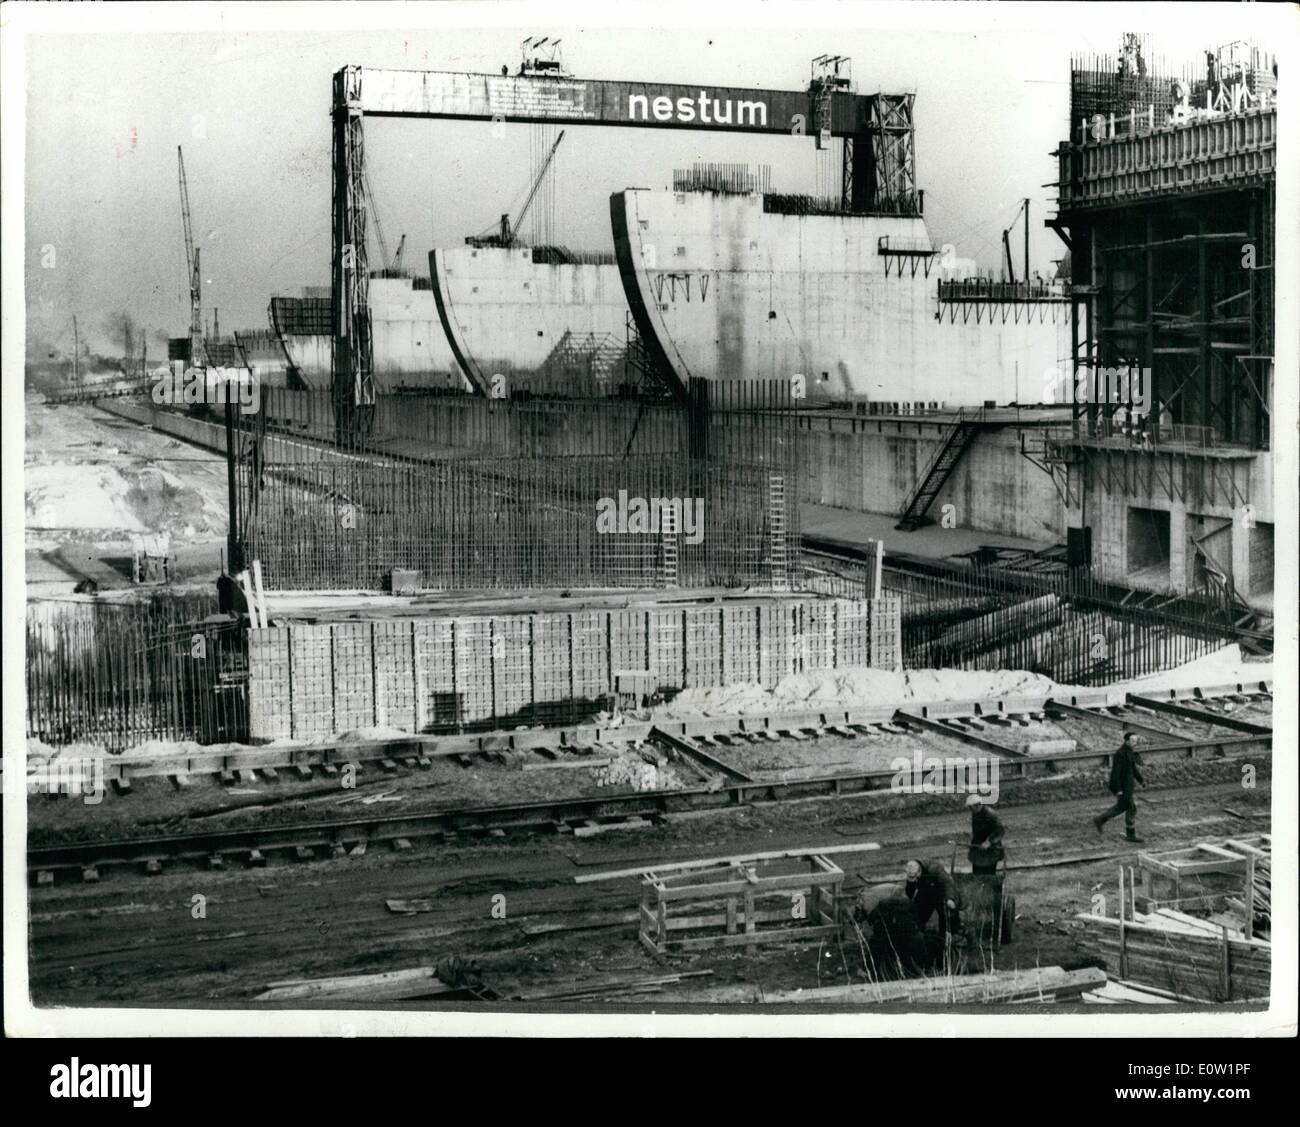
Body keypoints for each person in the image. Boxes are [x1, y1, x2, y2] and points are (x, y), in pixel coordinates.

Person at [1093, 732, 1146, 842]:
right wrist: (1118, 789)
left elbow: (1133, 768)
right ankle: (1130, 835)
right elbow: (1115, 773)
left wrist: (1141, 780)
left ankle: (1100, 820)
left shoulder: (1129, 752)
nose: (1135, 743)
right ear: (1126, 741)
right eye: (1133, 741)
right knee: (1130, 808)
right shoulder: (1120, 754)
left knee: (1122, 807)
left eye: (1136, 741)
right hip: (1123, 787)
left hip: (1128, 786)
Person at [903, 859, 961, 940]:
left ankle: (952, 936)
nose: (915, 880)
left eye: (916, 877)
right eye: (913, 878)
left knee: (947, 917)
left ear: (919, 871)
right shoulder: (912, 871)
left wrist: (950, 899)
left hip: (942, 894)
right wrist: (910, 883)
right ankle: (917, 937)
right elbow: (910, 894)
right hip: (927, 893)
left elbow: (947, 883)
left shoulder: (935, 868)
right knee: (916, 914)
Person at [966, 794, 1005, 875]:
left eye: (971, 807)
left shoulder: (991, 815)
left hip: (991, 850)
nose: (970, 810)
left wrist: (989, 842)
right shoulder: (975, 814)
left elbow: (999, 831)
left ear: (978, 805)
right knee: (976, 873)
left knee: (988, 875)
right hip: (978, 848)